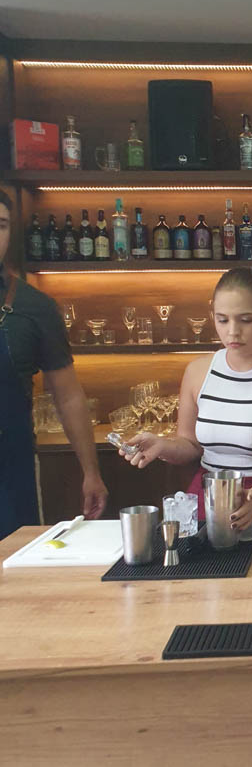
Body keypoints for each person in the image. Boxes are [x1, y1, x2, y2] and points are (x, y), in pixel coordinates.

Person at [121, 266, 252, 530]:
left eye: (245, 320)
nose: (232, 331)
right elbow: (190, 445)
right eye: (223, 320)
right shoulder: (197, 372)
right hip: (208, 496)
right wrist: (162, 446)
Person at [0, 190, 108, 539]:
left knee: (13, 563)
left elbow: (68, 396)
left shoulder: (35, 307)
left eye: (1, 225)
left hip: (10, 472)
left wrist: (91, 472)